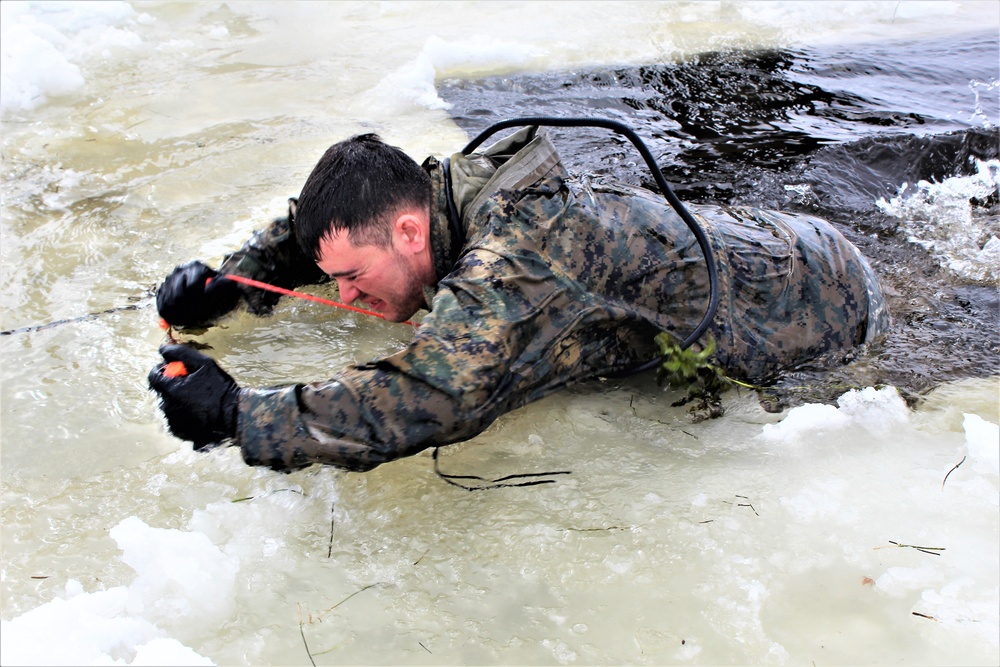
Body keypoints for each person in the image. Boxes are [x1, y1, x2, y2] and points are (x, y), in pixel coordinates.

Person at [149, 127, 889, 472]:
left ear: (410, 230)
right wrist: (236, 281)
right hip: (765, 239)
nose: (344, 295)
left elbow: (442, 392)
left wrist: (241, 416)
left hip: (822, 300)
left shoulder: (520, 252)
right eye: (334, 281)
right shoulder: (432, 198)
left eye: (351, 278)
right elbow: (329, 223)